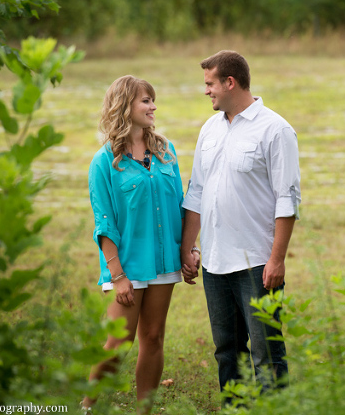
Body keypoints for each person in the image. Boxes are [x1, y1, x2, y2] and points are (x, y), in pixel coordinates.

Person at [180, 50, 301, 401]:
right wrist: (187, 248)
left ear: (230, 82)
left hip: (258, 264)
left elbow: (287, 200)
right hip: (216, 263)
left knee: (267, 354)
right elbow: (197, 191)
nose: (206, 91)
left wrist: (277, 260)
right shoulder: (210, 129)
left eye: (210, 84)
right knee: (227, 351)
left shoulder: (276, 130)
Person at [82, 75, 185, 413]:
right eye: (145, 101)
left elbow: (179, 206)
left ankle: (145, 411)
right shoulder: (103, 161)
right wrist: (118, 274)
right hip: (125, 265)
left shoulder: (166, 152)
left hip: (163, 262)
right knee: (117, 344)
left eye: (152, 100)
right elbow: (104, 221)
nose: (153, 106)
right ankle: (87, 405)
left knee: (153, 338)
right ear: (125, 106)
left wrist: (188, 250)